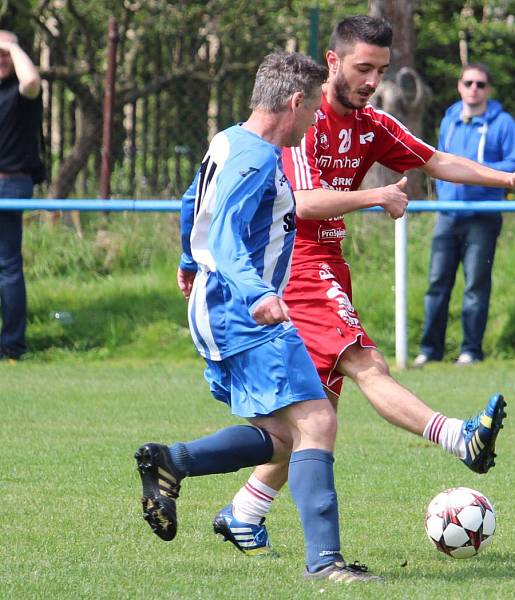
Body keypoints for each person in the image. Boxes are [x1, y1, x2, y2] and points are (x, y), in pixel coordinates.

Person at [137, 15, 515, 556]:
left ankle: (240, 508)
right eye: (363, 68)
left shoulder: (371, 123)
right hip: (299, 267)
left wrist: (507, 179)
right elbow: (301, 201)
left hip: (326, 264)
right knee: (363, 367)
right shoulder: (296, 120)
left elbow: (435, 159)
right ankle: (456, 438)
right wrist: (374, 197)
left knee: (308, 419)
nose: (371, 80)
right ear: (333, 63)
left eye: (380, 70)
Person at [135, 52, 379, 582]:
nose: (317, 117)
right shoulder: (260, 159)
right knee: (318, 420)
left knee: (282, 434)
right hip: (242, 311)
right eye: (314, 107)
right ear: (294, 102)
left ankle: (171, 462)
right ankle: (326, 564)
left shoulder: (228, 139)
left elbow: (189, 202)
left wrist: (185, 259)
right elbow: (224, 236)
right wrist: (257, 293)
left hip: (220, 306)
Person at [414, 63, 515, 367]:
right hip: (448, 214)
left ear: (489, 89)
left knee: (476, 284)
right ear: (459, 86)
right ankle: (429, 350)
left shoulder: (504, 124)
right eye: (468, 83)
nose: (474, 89)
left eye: (480, 84)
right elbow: (438, 159)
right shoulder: (450, 119)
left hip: (484, 215)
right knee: (437, 282)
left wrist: (474, 173)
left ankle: (470, 351)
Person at [0, 30, 43, 360]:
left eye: (6, 54)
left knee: (7, 265)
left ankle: (12, 345)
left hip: (9, 185)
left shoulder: (22, 92)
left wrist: (12, 44)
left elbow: (30, 80)